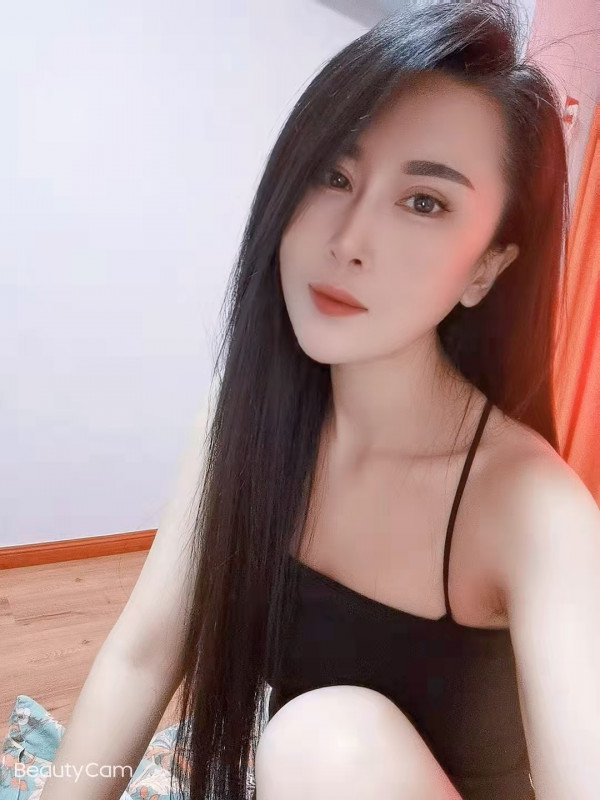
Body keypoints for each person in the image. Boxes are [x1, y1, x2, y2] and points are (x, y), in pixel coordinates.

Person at [40, 3, 600, 800]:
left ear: (487, 268)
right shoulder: (245, 420)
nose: (348, 241)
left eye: (425, 202)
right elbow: (142, 655)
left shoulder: (536, 508)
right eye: (334, 176)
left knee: (322, 743)